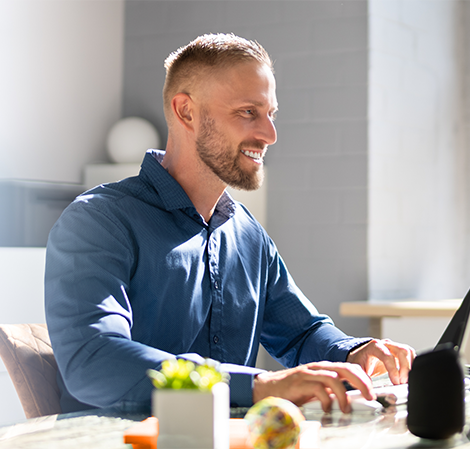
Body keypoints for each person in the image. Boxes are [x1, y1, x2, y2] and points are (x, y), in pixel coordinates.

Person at [45, 33, 415, 414]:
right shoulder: (98, 221)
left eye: (270, 114)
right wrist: (257, 386)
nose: (270, 134)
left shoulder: (248, 235)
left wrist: (353, 350)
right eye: (247, 112)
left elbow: (301, 331)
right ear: (186, 111)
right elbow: (94, 359)